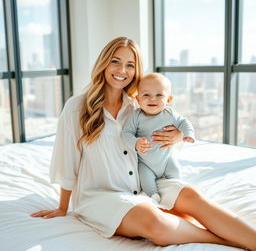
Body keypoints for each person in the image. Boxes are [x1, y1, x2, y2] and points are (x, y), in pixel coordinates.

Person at [30, 37, 256, 250]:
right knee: (155, 223)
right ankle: (230, 243)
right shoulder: (77, 107)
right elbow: (67, 160)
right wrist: (62, 207)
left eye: (130, 65)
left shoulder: (139, 103)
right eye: (115, 62)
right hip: (101, 195)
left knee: (193, 197)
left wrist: (177, 136)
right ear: (103, 64)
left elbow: (171, 125)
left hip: (147, 183)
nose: (122, 71)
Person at [122, 73, 195, 202]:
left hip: (166, 159)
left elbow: (184, 122)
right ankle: (153, 194)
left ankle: (178, 190)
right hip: (145, 163)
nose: (152, 99)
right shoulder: (136, 116)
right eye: (146, 95)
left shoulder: (170, 114)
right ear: (138, 99)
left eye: (159, 95)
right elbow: (126, 133)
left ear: (169, 99)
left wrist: (188, 134)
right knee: (145, 177)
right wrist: (136, 142)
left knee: (175, 171)